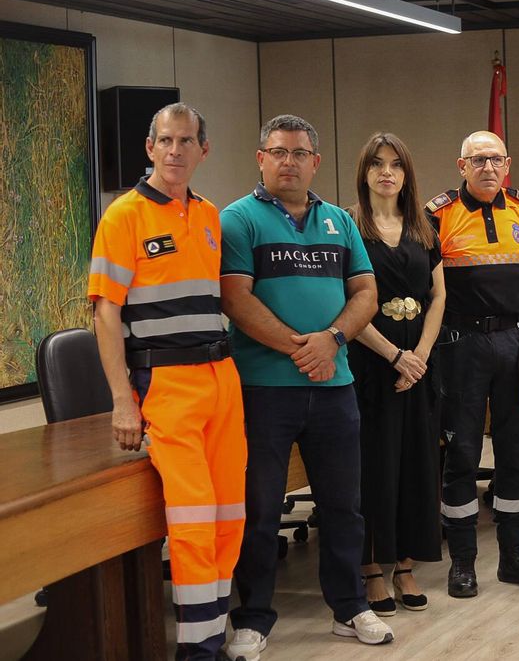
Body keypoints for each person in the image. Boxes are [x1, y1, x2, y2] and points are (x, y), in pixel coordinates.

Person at [220, 114, 393, 659]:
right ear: (261, 158)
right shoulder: (238, 220)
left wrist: (333, 340)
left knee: (344, 506)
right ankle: (252, 619)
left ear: (315, 161)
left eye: (298, 153)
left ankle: (349, 608)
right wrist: (303, 346)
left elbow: (366, 292)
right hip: (263, 389)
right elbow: (236, 299)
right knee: (261, 508)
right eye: (278, 151)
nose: (288, 161)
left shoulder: (339, 219)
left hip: (335, 386)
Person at [89, 103, 245, 661]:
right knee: (193, 519)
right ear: (150, 149)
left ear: (204, 150)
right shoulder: (124, 215)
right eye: (165, 141)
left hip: (221, 376)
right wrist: (122, 403)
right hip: (166, 382)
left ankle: (213, 636)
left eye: (187, 141)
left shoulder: (208, 215)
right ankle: (195, 650)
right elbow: (106, 314)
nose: (176, 151)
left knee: (230, 514)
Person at [426, 131, 519, 598]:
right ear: (461, 165)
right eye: (478, 160)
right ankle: (462, 562)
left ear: (508, 164)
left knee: (515, 453)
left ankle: (513, 557)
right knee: (460, 456)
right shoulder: (437, 215)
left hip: (513, 342)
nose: (487, 168)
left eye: (495, 160)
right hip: (461, 346)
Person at [345, 133, 445, 615]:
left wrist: (419, 356)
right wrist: (394, 356)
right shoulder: (347, 228)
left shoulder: (424, 227)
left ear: (407, 174)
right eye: (377, 164)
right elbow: (345, 306)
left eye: (396, 165)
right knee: (374, 469)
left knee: (415, 467)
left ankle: (404, 565)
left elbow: (438, 296)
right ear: (364, 173)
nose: (387, 172)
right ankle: (370, 569)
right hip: (371, 365)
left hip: (419, 367)